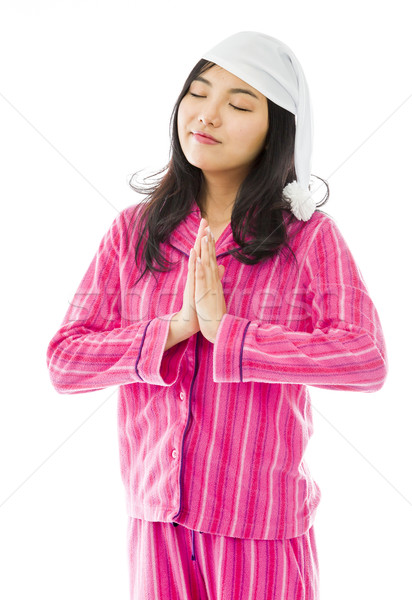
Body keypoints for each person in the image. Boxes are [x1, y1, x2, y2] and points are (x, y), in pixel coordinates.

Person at [46, 31, 388, 600]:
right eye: (198, 94)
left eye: (238, 104)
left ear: (276, 129)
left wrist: (230, 336)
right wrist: (174, 329)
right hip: (157, 521)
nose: (207, 116)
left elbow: (364, 358)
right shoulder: (132, 233)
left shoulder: (309, 239)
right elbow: (65, 360)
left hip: (261, 528)